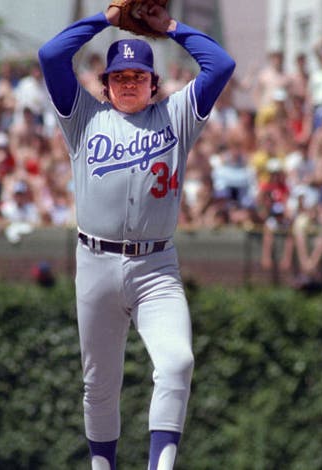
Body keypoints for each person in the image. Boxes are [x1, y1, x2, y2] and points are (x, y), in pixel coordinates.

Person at [38, 2, 235, 469]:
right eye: (120, 77)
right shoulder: (83, 117)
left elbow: (220, 65)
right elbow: (51, 55)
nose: (129, 84)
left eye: (138, 77)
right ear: (105, 86)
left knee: (178, 362)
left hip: (156, 267)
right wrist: (106, 20)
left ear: (154, 84)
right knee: (99, 383)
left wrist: (166, 27)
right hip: (96, 263)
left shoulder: (176, 117)